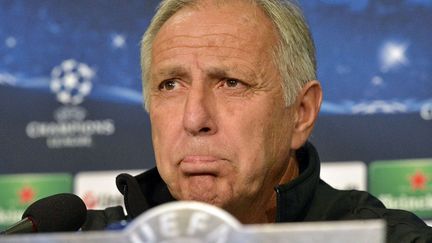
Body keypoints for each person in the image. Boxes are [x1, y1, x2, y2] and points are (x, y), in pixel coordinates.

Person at [83, 0, 432, 241]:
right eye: (170, 84)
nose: (194, 118)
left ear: (301, 113)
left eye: (231, 83)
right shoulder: (80, 237)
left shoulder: (388, 239)